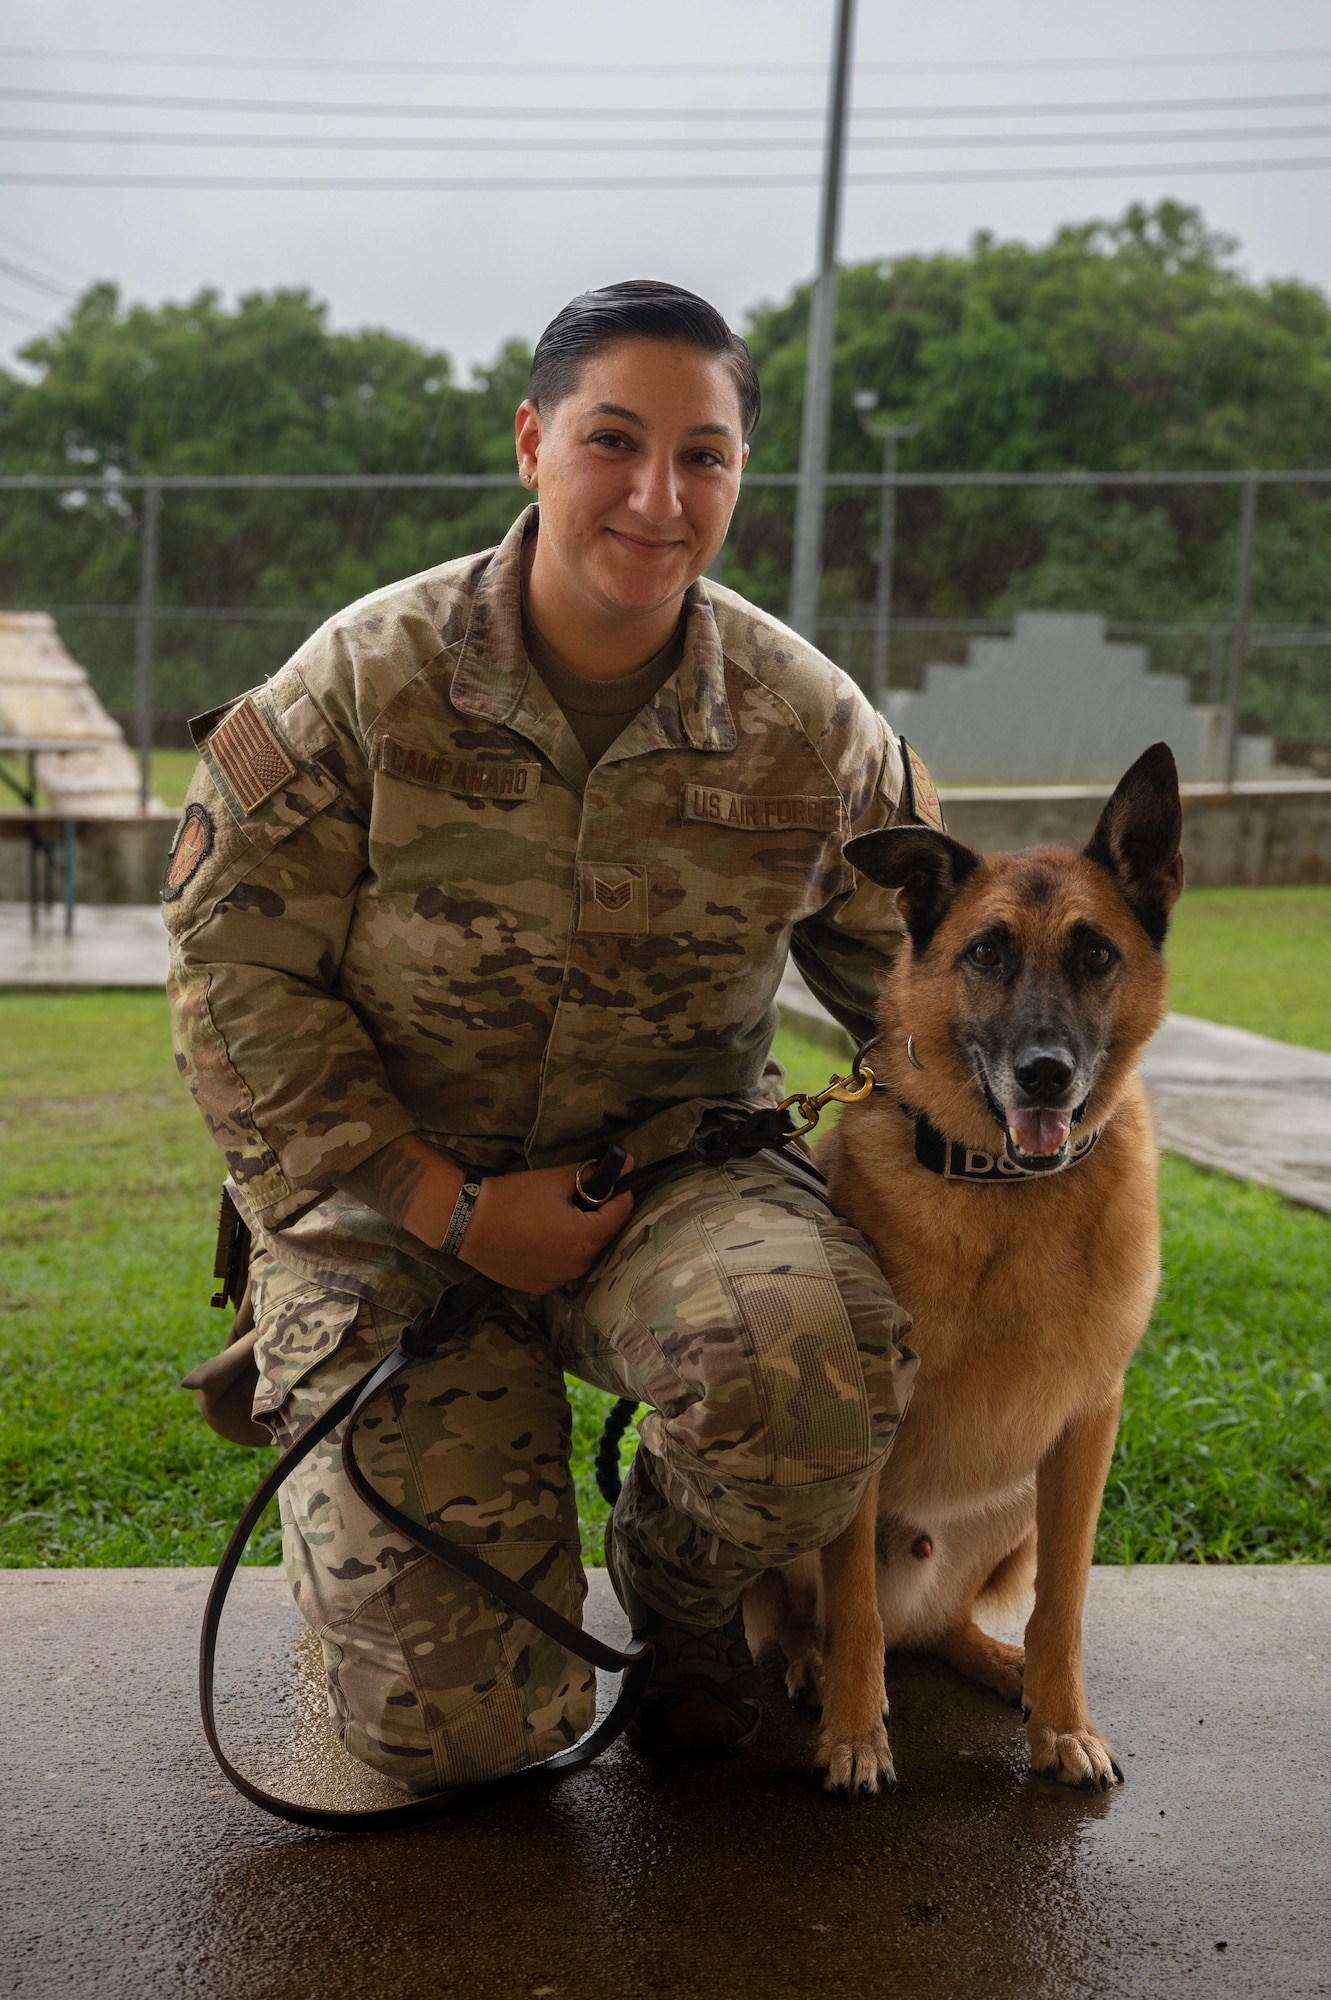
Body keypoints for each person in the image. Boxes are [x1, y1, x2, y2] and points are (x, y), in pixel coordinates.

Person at [164, 279, 936, 1791]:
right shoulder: (364, 681)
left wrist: (1044, 1101)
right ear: (533, 443)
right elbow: (228, 971)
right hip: (386, 1207)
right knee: (457, 1739)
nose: (658, 496)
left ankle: (682, 1591)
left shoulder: (808, 721)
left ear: (736, 478)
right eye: (614, 441)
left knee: (818, 1363)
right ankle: (381, 1520)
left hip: (674, 1191)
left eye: (704, 456)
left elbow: (924, 984)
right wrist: (441, 1200)